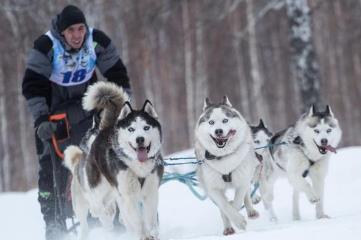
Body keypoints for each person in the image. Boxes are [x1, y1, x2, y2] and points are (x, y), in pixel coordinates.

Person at [22, 5, 131, 240]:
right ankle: (52, 223)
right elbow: (32, 86)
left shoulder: (96, 41)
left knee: (99, 160)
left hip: (86, 111)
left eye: (81, 28)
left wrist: (123, 107)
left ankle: (107, 214)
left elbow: (117, 74)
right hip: (51, 119)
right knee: (50, 171)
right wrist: (40, 118)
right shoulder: (46, 47)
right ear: (62, 33)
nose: (77, 34)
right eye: (71, 30)